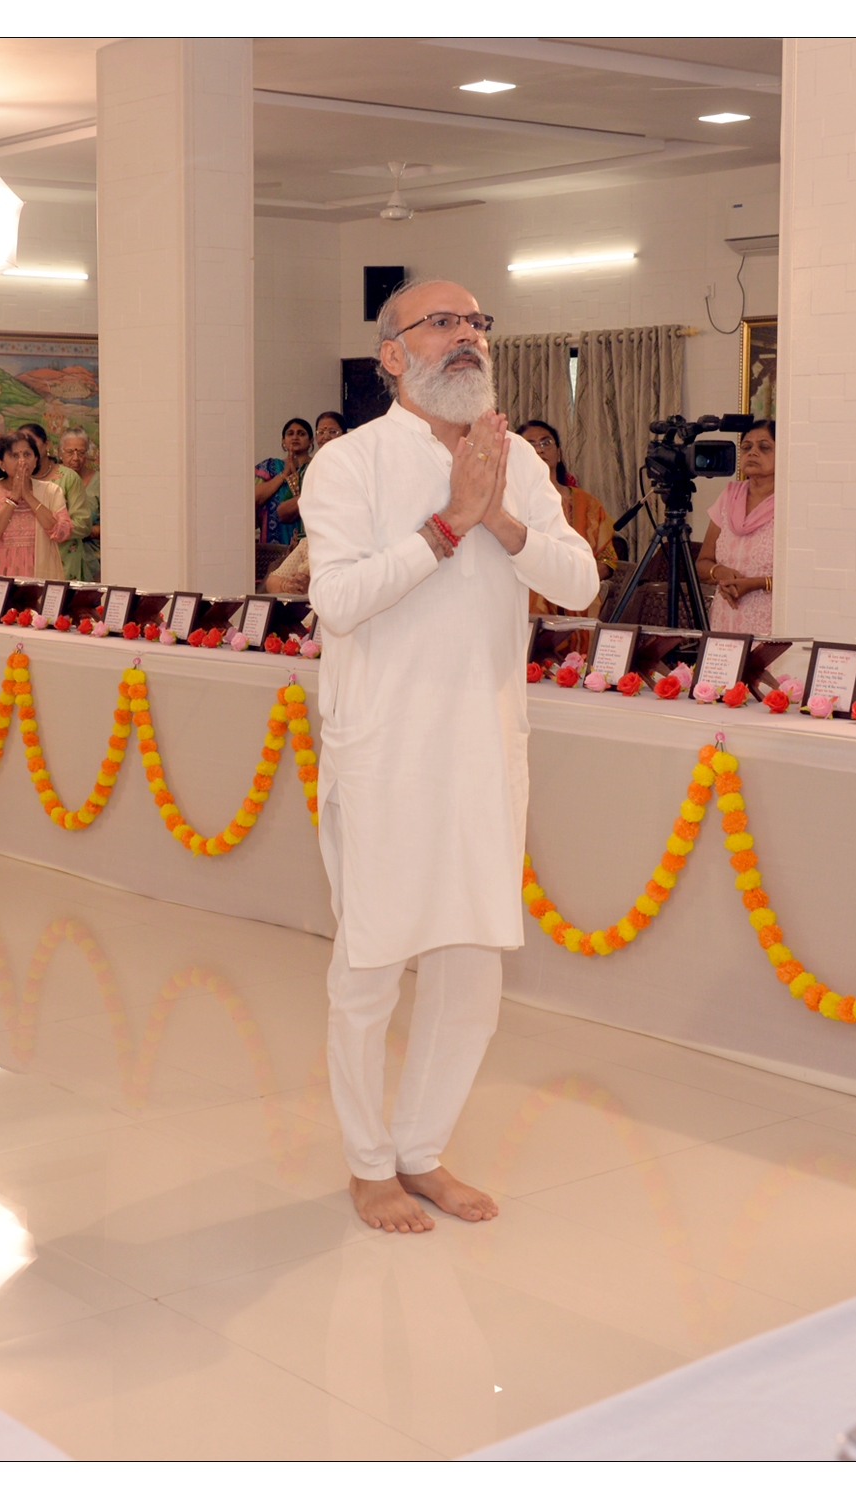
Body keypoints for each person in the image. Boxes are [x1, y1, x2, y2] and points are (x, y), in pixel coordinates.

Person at [301, 277, 597, 1234]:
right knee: (371, 967)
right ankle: (368, 1164)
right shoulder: (346, 464)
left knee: (472, 971)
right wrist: (446, 524)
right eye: (442, 322)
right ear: (393, 355)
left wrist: (497, 512)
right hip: (385, 752)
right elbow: (338, 600)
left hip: (482, 748)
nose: (467, 335)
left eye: (476, 322)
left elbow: (580, 584)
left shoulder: (516, 461)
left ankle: (422, 1151)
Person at [516, 421, 616, 617]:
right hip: (525, 604)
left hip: (578, 603)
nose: (539, 450)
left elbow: (607, 561)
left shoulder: (588, 504)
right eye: (530, 444)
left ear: (559, 453)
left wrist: (573, 583)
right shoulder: (511, 503)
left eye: (545, 443)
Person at [697, 421, 776, 635]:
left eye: (764, 447)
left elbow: (802, 579)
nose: (753, 452)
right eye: (746, 447)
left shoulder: (790, 503)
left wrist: (757, 584)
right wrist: (718, 572)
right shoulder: (729, 496)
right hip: (725, 620)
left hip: (771, 624)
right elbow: (702, 563)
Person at [0, 431, 71, 578]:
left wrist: (28, 496)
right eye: (14, 456)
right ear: (1, 463)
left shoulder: (51, 491)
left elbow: (62, 532)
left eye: (27, 454)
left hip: (39, 572)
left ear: (36, 460)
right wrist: (13, 498)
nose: (22, 461)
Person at [21, 422, 95, 578]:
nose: (27, 452)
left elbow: (83, 525)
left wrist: (53, 527)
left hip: (62, 560)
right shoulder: (16, 481)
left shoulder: (68, 477)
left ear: (47, 444)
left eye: (32, 444)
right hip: (24, 561)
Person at [254, 417, 314, 547]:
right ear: (283, 441)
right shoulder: (270, 466)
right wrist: (285, 473)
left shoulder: (317, 466)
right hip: (272, 546)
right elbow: (253, 498)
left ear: (311, 441)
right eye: (290, 433)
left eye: (301, 434)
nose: (295, 437)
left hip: (310, 543)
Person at [57, 427, 101, 582]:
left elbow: (112, 527)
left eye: (81, 452)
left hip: (93, 559)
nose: (76, 458)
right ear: (60, 453)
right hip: (60, 558)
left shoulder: (100, 482)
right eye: (70, 452)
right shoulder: (54, 479)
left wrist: (84, 529)